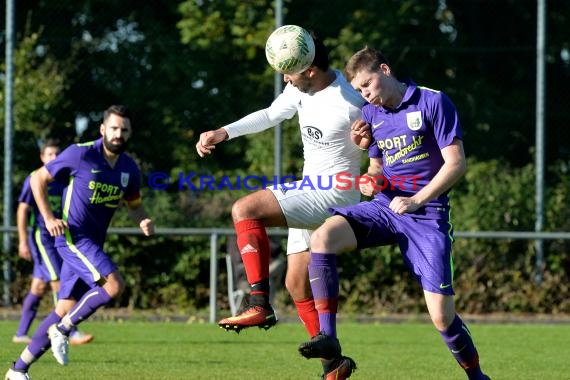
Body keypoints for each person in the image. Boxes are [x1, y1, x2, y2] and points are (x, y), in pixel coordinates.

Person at [297, 46, 491, 380]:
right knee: (322, 237)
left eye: (367, 85)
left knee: (443, 318)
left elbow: (456, 164)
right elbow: (375, 171)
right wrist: (370, 181)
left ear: (384, 70)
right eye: (358, 90)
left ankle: (477, 377)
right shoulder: (371, 116)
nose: (365, 94)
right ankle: (328, 337)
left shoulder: (433, 101)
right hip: (384, 208)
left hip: (426, 215)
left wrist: (417, 199)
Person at [196, 28, 366, 379]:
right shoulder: (298, 89)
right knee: (296, 285)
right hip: (310, 191)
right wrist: (223, 132)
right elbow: (271, 114)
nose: (285, 78)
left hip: (334, 194)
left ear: (309, 70)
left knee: (245, 209)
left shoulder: (351, 101)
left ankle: (258, 302)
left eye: (288, 72)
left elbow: (383, 135)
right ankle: (333, 365)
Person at [6, 105, 154, 380]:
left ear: (130, 133)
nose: (118, 134)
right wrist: (49, 217)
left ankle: (18, 369)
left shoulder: (129, 168)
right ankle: (63, 330)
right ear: (102, 129)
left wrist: (143, 219)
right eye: (113, 128)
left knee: (62, 308)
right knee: (113, 285)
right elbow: (38, 178)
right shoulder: (80, 153)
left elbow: (134, 204)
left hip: (93, 243)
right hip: (73, 237)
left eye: (124, 130)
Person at [13, 139, 93, 346]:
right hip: (43, 237)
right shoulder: (35, 178)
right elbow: (23, 209)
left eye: (57, 154)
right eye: (49, 154)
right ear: (42, 157)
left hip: (62, 237)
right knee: (58, 281)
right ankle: (69, 330)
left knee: (38, 287)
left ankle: (21, 333)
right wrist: (22, 241)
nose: (54, 158)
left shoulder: (66, 178)